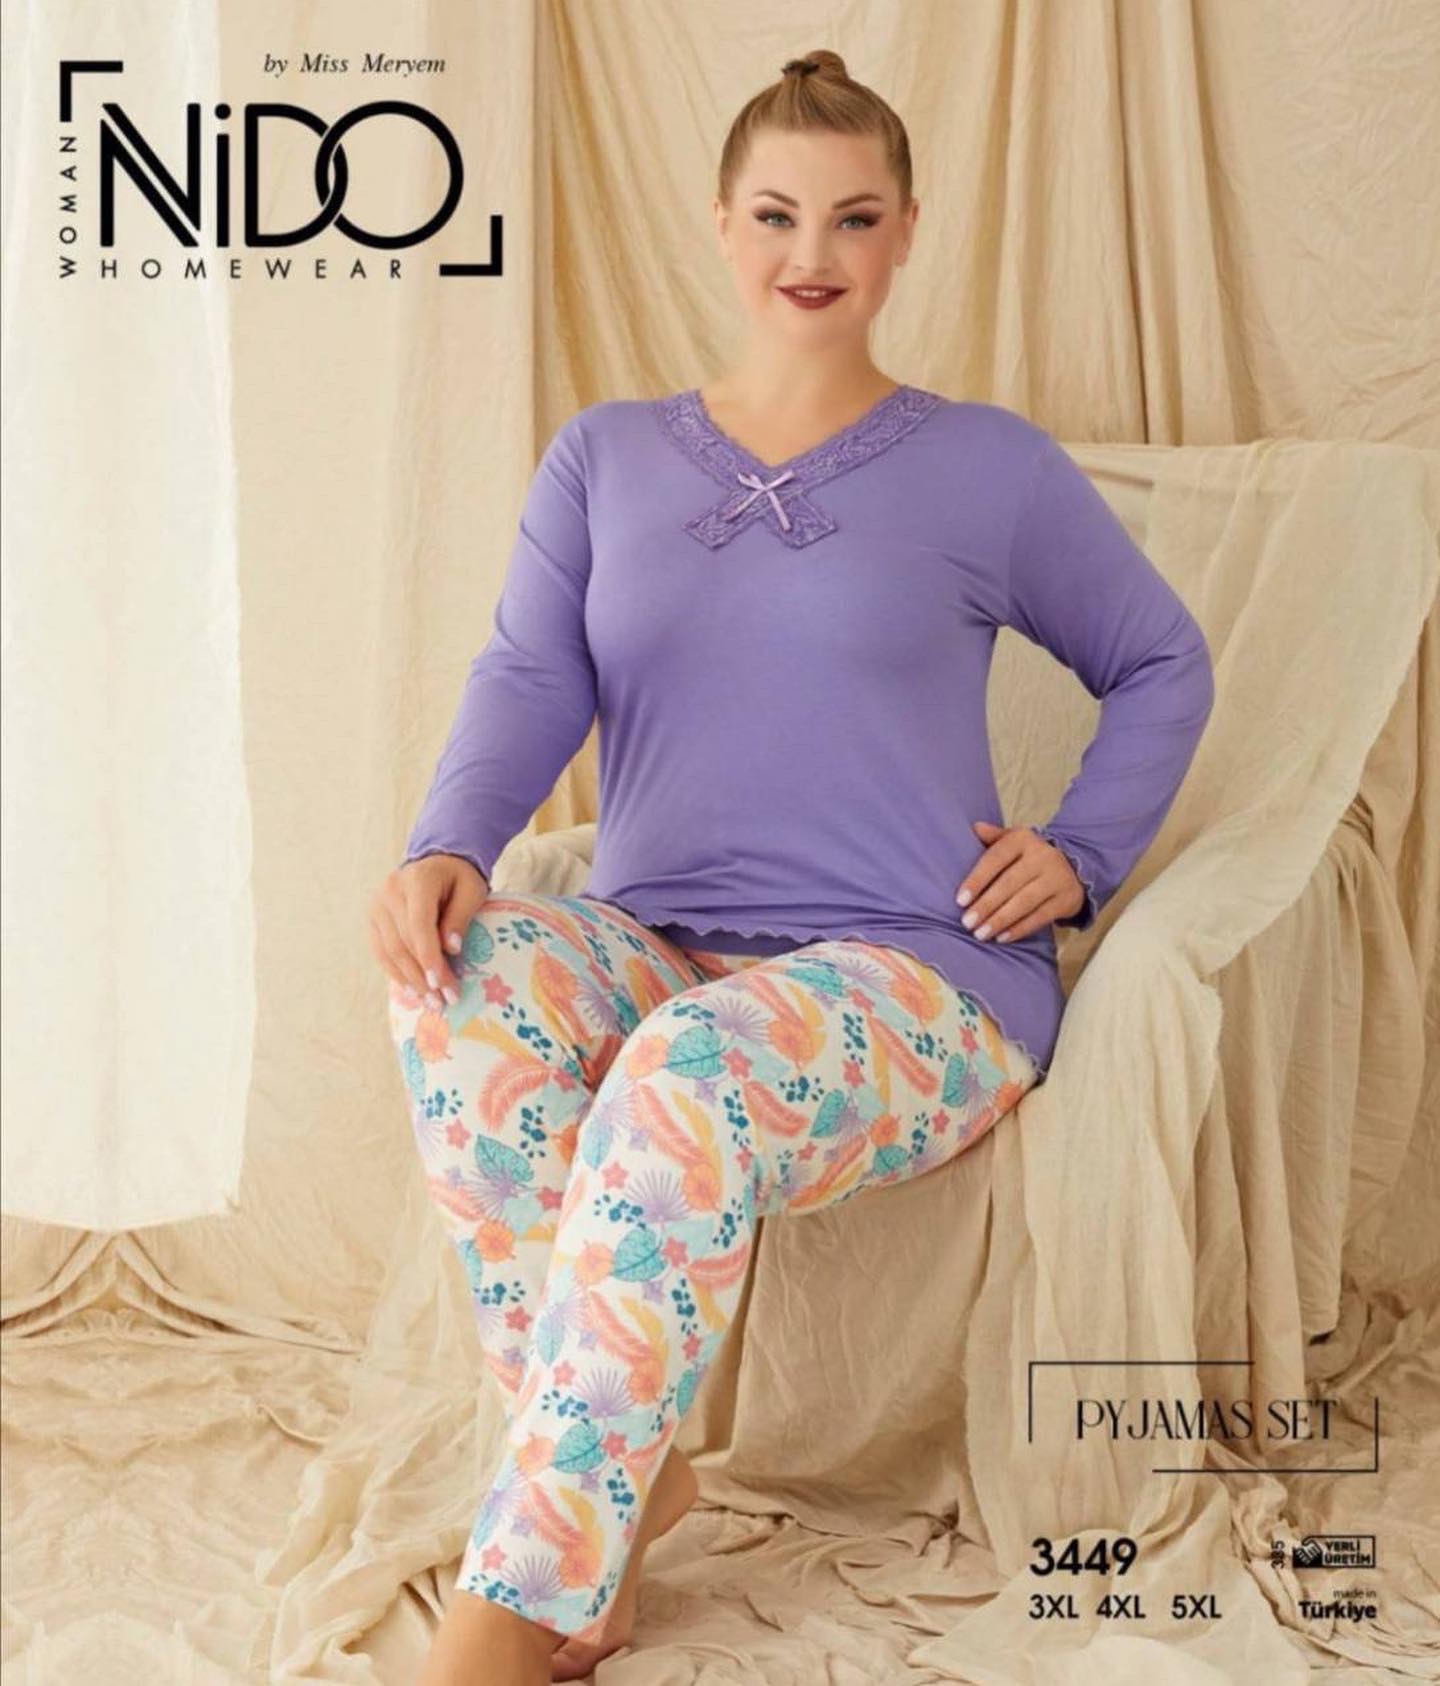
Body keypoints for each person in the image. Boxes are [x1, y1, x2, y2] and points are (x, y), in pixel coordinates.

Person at [369, 50, 1215, 1686]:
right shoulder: (606, 457)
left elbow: (1162, 660)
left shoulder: (988, 466)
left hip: (919, 970)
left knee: (685, 1069)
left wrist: (1084, 852)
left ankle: (515, 1606)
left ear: (906, 233)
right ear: (720, 225)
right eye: (775, 214)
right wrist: (446, 843)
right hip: (659, 938)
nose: (810, 251)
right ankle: (620, 1483)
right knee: (462, 983)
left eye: (852, 216)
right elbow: (531, 673)